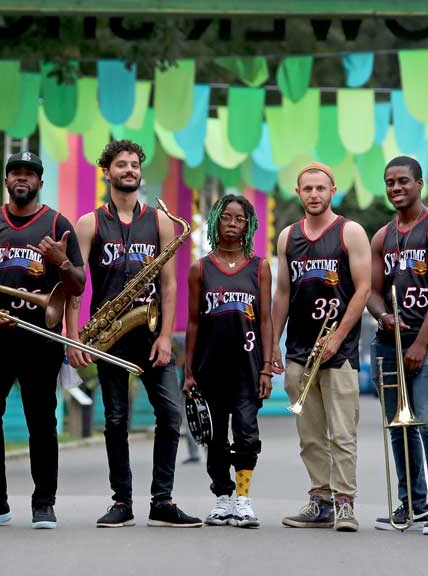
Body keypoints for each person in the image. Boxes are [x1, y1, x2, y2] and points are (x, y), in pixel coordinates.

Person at [67, 139, 201, 528]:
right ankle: (122, 501)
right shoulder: (89, 222)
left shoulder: (159, 221)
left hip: (151, 331)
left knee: (171, 414)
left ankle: (162, 500)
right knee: (114, 421)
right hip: (108, 333)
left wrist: (164, 337)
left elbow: (170, 285)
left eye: (134, 165)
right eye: (121, 165)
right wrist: (74, 335)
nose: (129, 170)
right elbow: (75, 285)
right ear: (106, 172)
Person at [0, 151, 85, 529]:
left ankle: (44, 503)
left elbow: (78, 285)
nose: (22, 178)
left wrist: (60, 259)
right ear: (6, 180)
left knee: (41, 421)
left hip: (40, 337)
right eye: (15, 173)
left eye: (30, 173)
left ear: (41, 182)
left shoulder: (58, 223)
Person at [271, 162, 371, 533]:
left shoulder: (351, 232)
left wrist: (338, 336)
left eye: (321, 188)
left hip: (339, 352)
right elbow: (283, 293)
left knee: (342, 433)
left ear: (333, 191)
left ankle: (345, 504)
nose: (314, 194)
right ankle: (320, 500)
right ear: (298, 193)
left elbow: (363, 289)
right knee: (310, 436)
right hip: (299, 350)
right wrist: (272, 344)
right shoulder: (287, 237)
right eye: (307, 189)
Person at [367, 156, 428, 535]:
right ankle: (412, 504)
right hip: (388, 344)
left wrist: (420, 343)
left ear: (420, 184)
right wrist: (382, 317)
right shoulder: (381, 237)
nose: (396, 188)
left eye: (403, 181)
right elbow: (372, 292)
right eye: (390, 182)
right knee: (398, 427)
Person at [183, 194, 273, 528]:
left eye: (240, 219)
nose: (233, 223)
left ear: (249, 225)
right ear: (216, 220)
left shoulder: (259, 267)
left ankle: (244, 499)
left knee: (247, 434)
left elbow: (265, 320)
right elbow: (193, 321)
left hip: (248, 368)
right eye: (227, 217)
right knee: (215, 436)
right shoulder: (200, 268)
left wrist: (267, 366)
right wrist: (189, 370)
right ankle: (222, 497)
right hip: (210, 368)